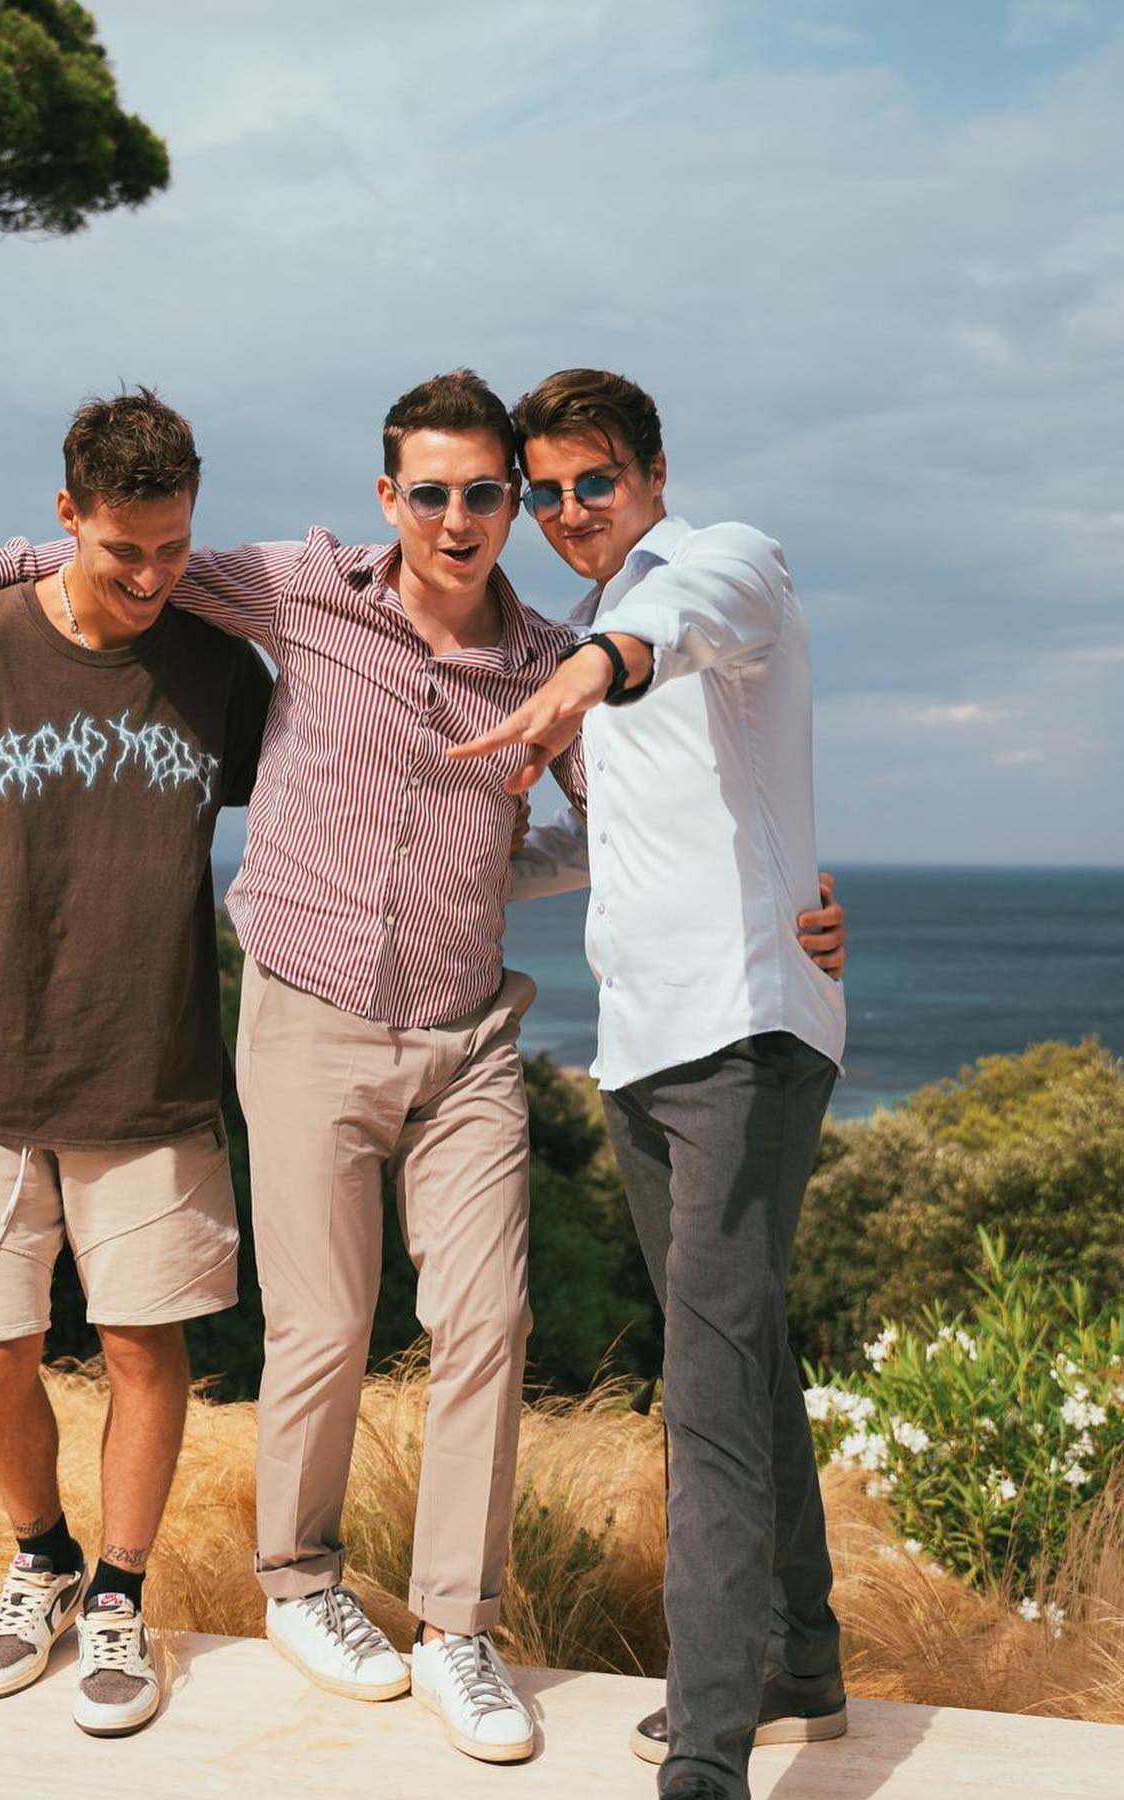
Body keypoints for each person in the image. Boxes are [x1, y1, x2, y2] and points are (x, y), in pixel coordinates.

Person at [0, 370, 846, 1766]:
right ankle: (302, 1584)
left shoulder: (552, 657)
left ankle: (459, 1628)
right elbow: (123, 554)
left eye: (489, 494)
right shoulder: (303, 591)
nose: (462, 519)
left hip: (466, 1036)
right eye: (434, 492)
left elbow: (630, 820)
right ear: (390, 496)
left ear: (508, 506)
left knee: (488, 1321)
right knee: (325, 1326)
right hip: (307, 1016)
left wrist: (781, 896)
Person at [0, 389, 273, 1738]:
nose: (151, 578)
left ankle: (121, 1594)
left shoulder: (222, 667)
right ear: (65, 519)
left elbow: (325, 797)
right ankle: (41, 1557)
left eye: (173, 549)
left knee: (145, 1346)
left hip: (150, 1070)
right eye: (122, 550)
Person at [452, 368, 848, 1800]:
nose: (569, 511)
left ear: (655, 474)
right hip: (643, 1048)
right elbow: (620, 844)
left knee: (706, 1383)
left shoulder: (725, 567)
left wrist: (592, 668)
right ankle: (800, 1659)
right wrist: (457, 861)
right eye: (547, 492)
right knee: (736, 1353)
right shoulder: (597, 631)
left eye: (595, 483)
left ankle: (709, 1745)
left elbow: (682, 624)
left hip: (744, 1037)